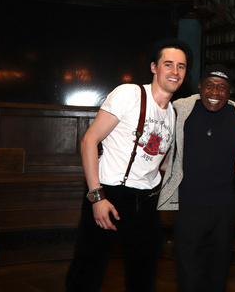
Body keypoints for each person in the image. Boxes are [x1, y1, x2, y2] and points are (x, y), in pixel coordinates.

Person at [66, 39, 192, 292]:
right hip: (110, 194)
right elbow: (89, 140)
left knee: (144, 276)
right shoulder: (129, 94)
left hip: (147, 202)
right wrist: (97, 196)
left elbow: (162, 163)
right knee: (87, 272)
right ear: (154, 67)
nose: (175, 72)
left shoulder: (173, 114)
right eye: (168, 64)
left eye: (181, 66)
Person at [157, 64, 235, 292]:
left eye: (222, 87)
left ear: (229, 91)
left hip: (224, 209)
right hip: (187, 207)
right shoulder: (179, 109)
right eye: (210, 85)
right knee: (188, 271)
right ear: (200, 86)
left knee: (218, 271)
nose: (215, 93)